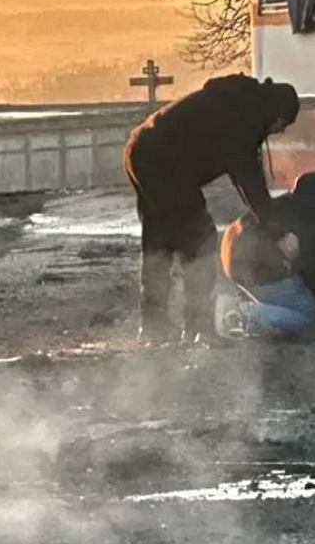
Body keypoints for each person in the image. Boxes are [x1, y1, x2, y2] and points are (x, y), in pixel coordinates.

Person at [124, 74, 300, 344]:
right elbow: (250, 183)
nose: (279, 131)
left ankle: (154, 327)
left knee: (159, 239)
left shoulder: (238, 104)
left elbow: (246, 178)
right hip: (164, 164)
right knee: (199, 238)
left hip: (141, 149)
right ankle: (198, 325)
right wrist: (279, 233)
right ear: (276, 113)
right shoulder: (243, 119)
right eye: (282, 124)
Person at [218, 157, 315, 337]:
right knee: (308, 318)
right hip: (258, 262)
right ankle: (240, 314)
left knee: (293, 303)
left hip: (235, 248)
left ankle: (246, 308)